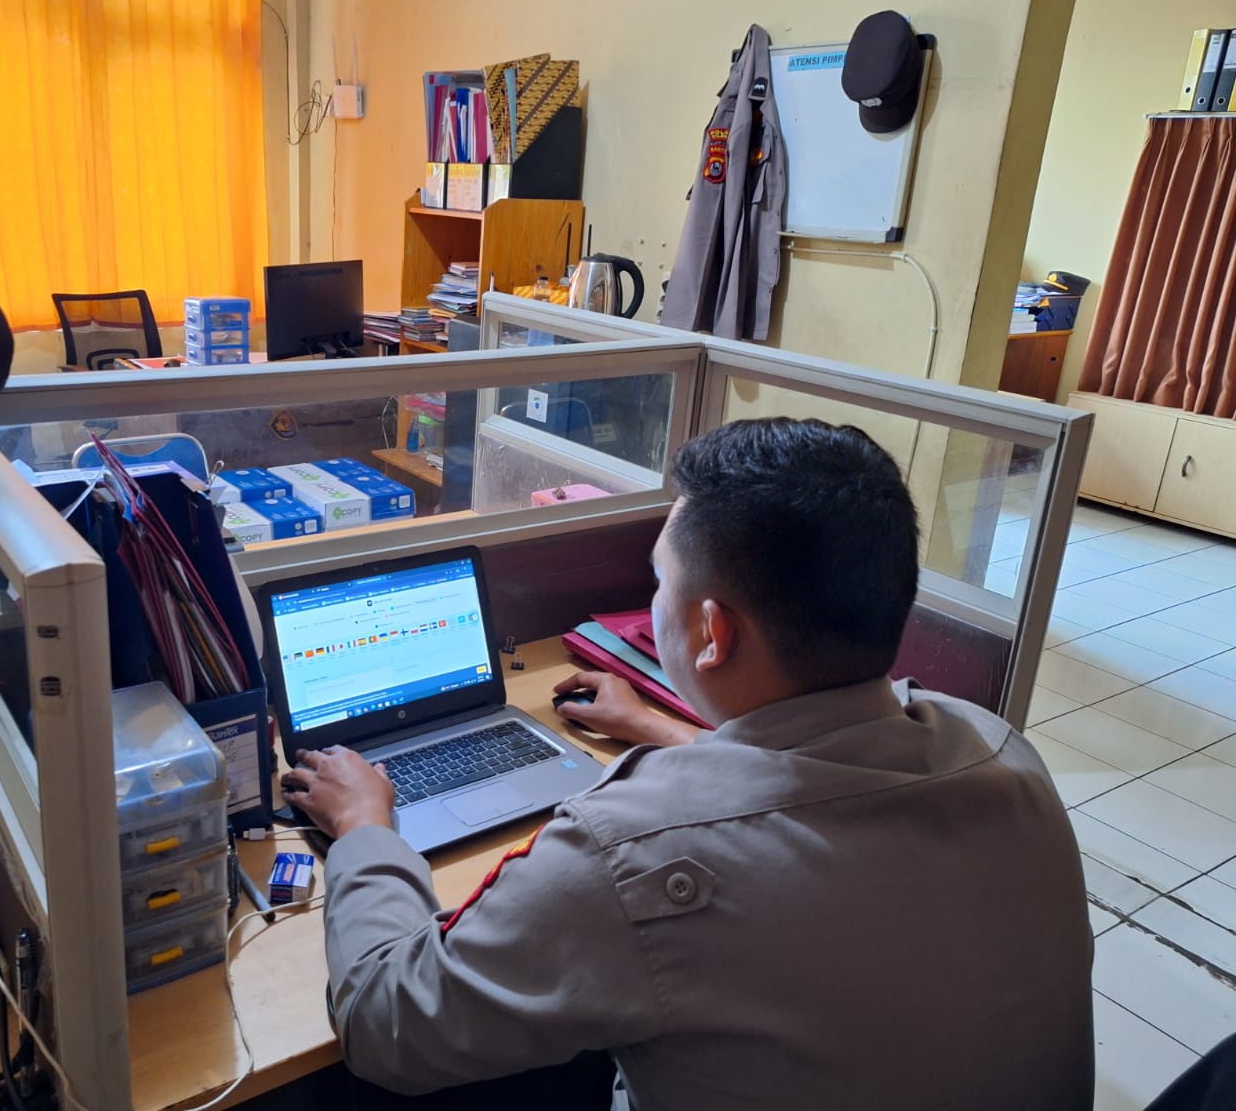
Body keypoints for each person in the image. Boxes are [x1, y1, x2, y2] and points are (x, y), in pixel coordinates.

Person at [280, 417, 1094, 1111]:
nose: (655, 597)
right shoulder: (998, 747)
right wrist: (654, 727)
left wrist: (364, 826)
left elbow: (386, 1025)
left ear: (713, 632)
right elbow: (818, 775)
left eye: (659, 580)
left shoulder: (628, 853)